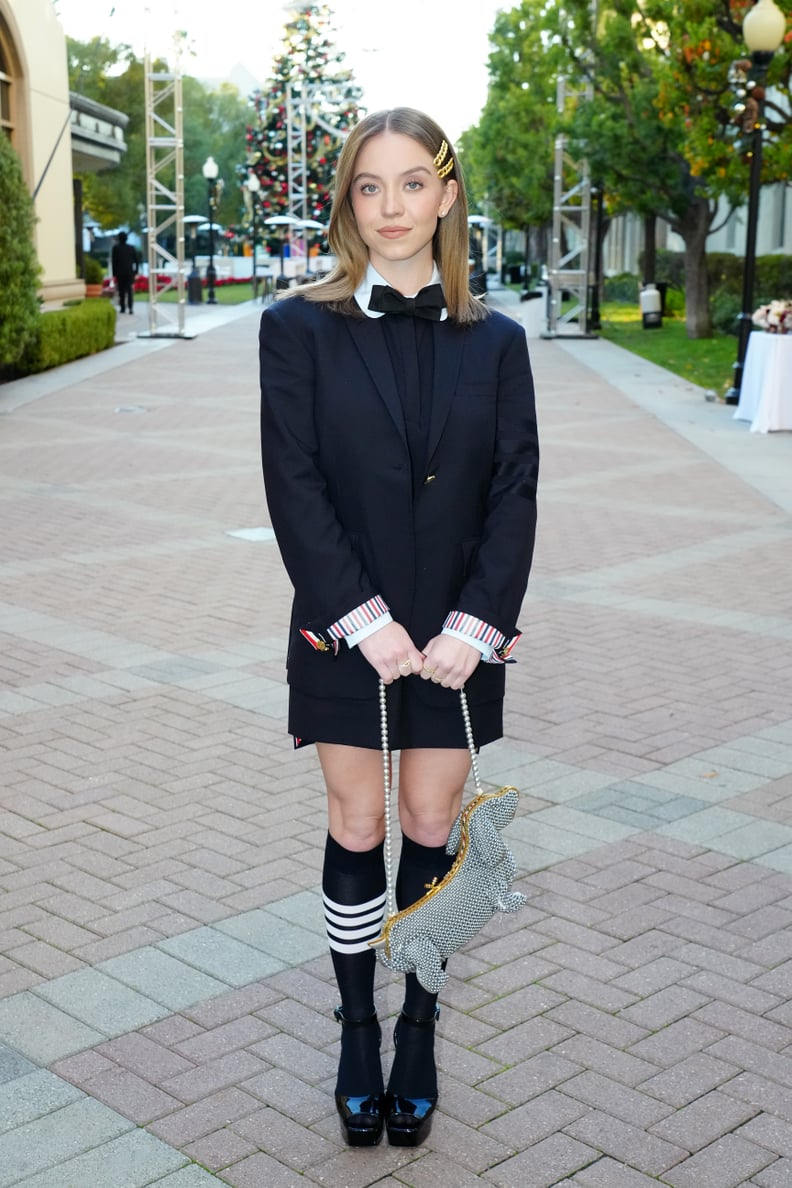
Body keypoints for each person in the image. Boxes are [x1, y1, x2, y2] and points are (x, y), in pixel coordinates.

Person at [258, 107, 539, 1149]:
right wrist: (361, 616)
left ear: (448, 195)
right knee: (359, 825)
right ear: (347, 203)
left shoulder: (500, 341)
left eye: (412, 183)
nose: (391, 207)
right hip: (344, 628)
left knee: (430, 825)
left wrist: (476, 624)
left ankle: (417, 1019)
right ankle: (357, 1028)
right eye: (369, 186)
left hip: (460, 632)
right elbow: (293, 484)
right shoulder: (296, 329)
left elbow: (516, 491)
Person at [111, 231, 138, 314]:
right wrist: (135, 271)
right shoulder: (131, 248)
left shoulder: (116, 248)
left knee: (121, 291)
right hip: (129, 273)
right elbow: (136, 261)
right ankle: (130, 308)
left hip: (120, 273)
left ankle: (123, 307)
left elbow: (114, 262)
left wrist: (114, 273)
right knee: (129, 291)